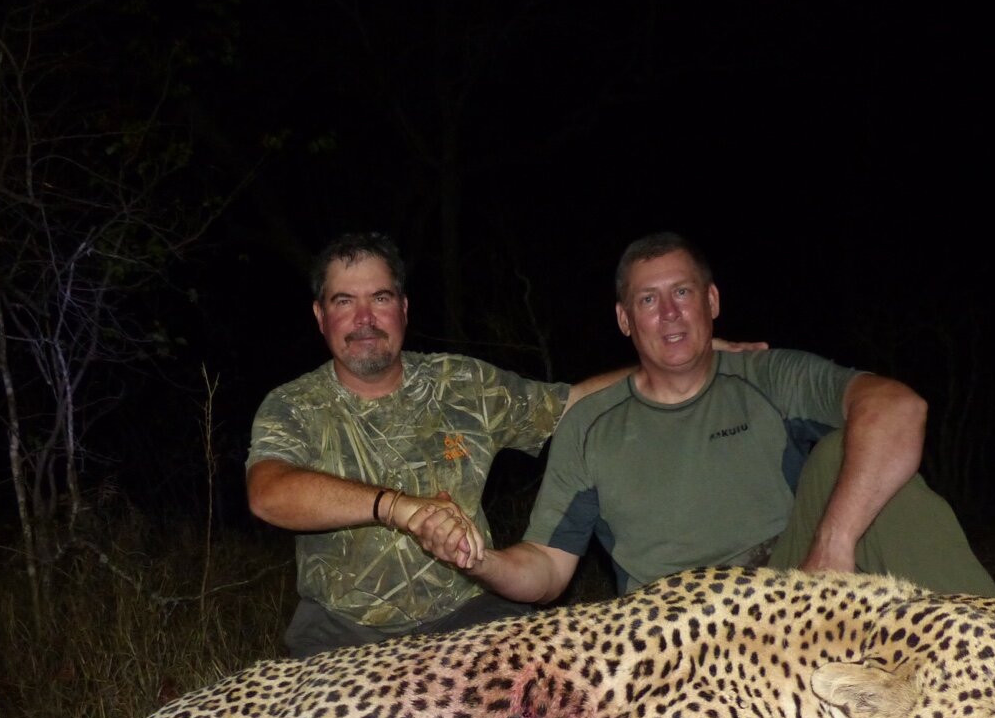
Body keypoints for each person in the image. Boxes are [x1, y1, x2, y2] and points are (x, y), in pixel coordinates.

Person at [247, 231, 759, 658]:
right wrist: (396, 508)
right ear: (320, 316)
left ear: (402, 308)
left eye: (379, 298)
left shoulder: (462, 383)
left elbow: (570, 402)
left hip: (470, 612)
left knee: (549, 716)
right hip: (342, 628)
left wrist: (682, 358)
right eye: (344, 301)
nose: (365, 318)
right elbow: (268, 492)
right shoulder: (294, 404)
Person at [415, 231, 995, 603]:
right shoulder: (590, 425)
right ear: (625, 320)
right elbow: (545, 567)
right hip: (675, 629)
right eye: (649, 300)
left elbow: (901, 408)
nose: (669, 313)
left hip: (790, 588)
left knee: (854, 457)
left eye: (683, 293)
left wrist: (833, 544)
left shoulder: (769, 377)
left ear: (712, 302)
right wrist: (482, 560)